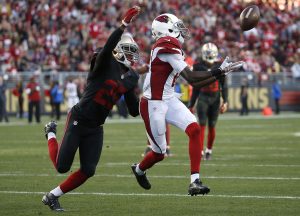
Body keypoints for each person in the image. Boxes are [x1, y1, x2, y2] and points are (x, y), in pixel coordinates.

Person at [131, 13, 244, 196]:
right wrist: (218, 71)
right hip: (153, 103)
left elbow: (195, 82)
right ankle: (139, 169)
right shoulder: (164, 46)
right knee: (159, 153)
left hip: (168, 99)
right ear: (166, 30)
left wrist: (219, 73)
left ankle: (195, 181)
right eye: (177, 27)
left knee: (195, 129)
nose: (181, 31)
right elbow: (192, 79)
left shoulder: (171, 49)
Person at [42, 6, 141, 211]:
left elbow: (133, 111)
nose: (132, 58)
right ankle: (51, 133)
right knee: (62, 167)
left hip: (96, 126)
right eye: (129, 52)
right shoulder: (104, 61)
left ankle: (53, 196)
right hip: (79, 118)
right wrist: (124, 25)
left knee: (88, 170)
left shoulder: (129, 76)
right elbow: (106, 48)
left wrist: (138, 91)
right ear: (119, 50)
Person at [188, 43, 228, 160]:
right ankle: (200, 150)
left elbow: (223, 85)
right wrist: (192, 103)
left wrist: (225, 101)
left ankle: (209, 151)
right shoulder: (198, 65)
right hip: (203, 97)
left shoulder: (220, 65)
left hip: (215, 98)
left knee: (212, 126)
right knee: (202, 125)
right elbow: (196, 86)